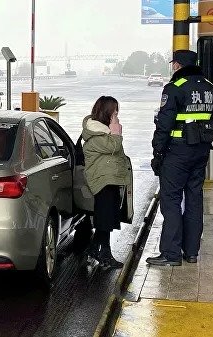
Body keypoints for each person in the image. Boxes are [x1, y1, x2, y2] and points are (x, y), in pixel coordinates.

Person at [147, 50, 213, 266]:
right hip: (201, 151)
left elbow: (164, 125)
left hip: (177, 153)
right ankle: (191, 252)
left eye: (173, 65)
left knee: (171, 200)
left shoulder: (174, 88)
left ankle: (171, 254)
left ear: (178, 65)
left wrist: (157, 153)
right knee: (195, 199)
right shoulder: (210, 88)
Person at [82, 96, 132, 270]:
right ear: (107, 112)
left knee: (107, 218)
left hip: (110, 180)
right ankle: (103, 253)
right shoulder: (97, 133)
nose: (117, 114)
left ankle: (97, 249)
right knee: (105, 219)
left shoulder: (104, 131)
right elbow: (114, 147)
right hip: (102, 182)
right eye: (114, 110)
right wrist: (116, 130)